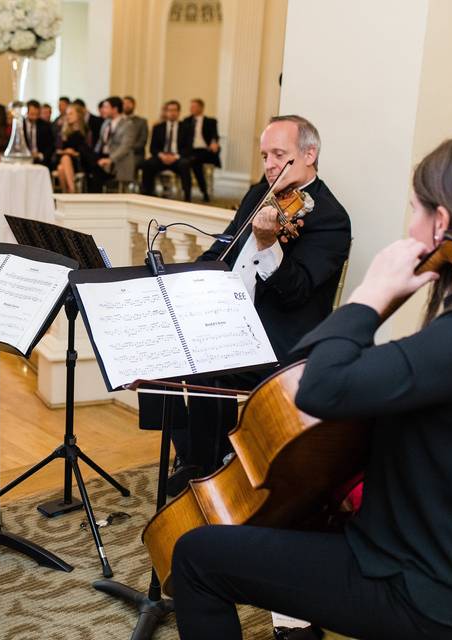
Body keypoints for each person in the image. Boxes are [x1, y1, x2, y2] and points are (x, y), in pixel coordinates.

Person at [171, 133, 452, 640]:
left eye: (414, 209)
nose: (410, 224)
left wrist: (370, 296)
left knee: (196, 556)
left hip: (429, 588)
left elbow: (319, 386)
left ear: (441, 224)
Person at [139, 115, 351, 490]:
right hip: (230, 319)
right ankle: (193, 452)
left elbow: (298, 289)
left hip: (279, 339)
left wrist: (270, 245)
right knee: (157, 343)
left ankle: (209, 469)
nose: (269, 164)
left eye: (278, 154)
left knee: (210, 360)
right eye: (265, 155)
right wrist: (181, 279)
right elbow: (223, 246)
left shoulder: (330, 218)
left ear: (309, 154)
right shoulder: (260, 194)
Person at [140, 100, 193, 201]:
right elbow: (153, 148)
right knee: (147, 164)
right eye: (169, 110)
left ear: (179, 112)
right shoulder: (158, 127)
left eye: (175, 110)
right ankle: (147, 194)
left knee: (185, 164)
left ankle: (187, 197)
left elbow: (188, 148)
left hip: (177, 158)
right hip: (162, 157)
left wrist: (175, 156)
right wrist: (162, 155)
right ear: (166, 112)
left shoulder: (186, 127)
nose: (172, 113)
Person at [87, 96, 139, 192]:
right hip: (104, 158)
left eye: (106, 107)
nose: (103, 110)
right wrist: (94, 157)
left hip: (119, 160)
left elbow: (126, 146)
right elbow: (101, 142)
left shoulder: (128, 124)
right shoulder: (106, 123)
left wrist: (110, 159)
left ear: (115, 109)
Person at [181, 97, 221, 201]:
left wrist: (214, 142)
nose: (191, 108)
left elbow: (214, 135)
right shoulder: (186, 121)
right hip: (191, 152)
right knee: (194, 163)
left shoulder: (210, 121)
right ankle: (204, 192)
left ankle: (188, 195)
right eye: (191, 106)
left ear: (201, 108)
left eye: (194, 106)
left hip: (205, 151)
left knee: (191, 162)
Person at [52, 103, 93, 193]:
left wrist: (74, 153)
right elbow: (57, 150)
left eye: (71, 114)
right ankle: (71, 191)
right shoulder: (63, 132)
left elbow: (88, 151)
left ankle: (69, 192)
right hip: (64, 159)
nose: (68, 116)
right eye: (67, 114)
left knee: (61, 167)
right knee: (63, 163)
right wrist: (66, 151)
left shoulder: (86, 131)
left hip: (79, 160)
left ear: (78, 115)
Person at [23, 98, 55, 167]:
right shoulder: (20, 125)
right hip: (24, 158)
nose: (34, 117)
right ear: (26, 112)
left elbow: (50, 145)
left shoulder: (45, 126)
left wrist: (40, 155)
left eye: (37, 114)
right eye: (32, 114)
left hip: (41, 159)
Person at [123, 95, 149, 171]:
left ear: (134, 105)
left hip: (135, 154)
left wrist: (127, 150)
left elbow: (142, 141)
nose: (126, 105)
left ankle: (131, 183)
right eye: (124, 103)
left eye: (129, 103)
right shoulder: (118, 121)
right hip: (118, 153)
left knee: (130, 164)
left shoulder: (142, 121)